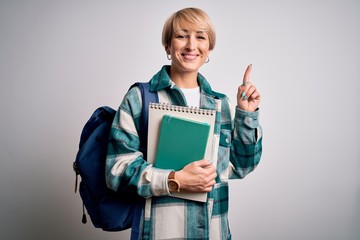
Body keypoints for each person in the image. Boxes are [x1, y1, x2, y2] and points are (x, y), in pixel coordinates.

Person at [105, 7, 263, 240]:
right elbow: (116, 171)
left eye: (200, 37)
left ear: (209, 48)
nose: (191, 45)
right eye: (181, 36)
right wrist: (175, 180)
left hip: (215, 233)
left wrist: (246, 115)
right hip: (159, 233)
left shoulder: (222, 104)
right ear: (168, 46)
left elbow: (240, 166)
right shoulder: (140, 98)